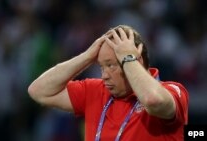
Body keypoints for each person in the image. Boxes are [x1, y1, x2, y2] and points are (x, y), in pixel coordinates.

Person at [28, 25, 189, 141]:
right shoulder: (96, 90)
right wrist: (87, 57)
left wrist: (128, 58)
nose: (104, 76)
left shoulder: (173, 90)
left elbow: (153, 100)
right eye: (101, 66)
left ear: (136, 60)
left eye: (111, 65)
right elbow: (38, 90)